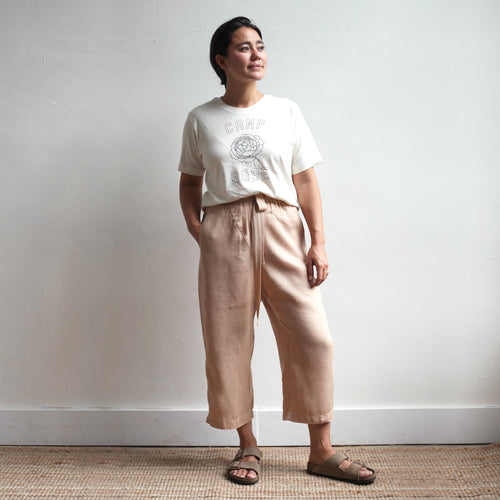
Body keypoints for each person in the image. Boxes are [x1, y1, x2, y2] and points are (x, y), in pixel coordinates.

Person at [178, 16, 376, 486]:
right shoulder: (201, 118)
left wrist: (318, 241)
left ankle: (321, 451)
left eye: (261, 46)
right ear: (222, 60)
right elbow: (189, 181)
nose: (257, 54)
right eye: (244, 47)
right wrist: (199, 229)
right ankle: (247, 444)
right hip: (224, 228)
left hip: (283, 225)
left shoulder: (286, 111)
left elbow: (305, 180)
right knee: (228, 340)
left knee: (313, 337)